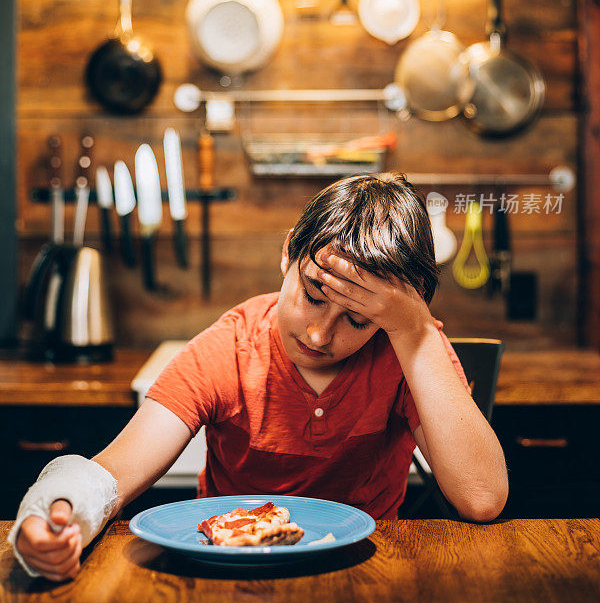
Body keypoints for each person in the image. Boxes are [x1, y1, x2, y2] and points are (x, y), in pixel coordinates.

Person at [9, 172, 508, 581]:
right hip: (226, 572)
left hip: (361, 573)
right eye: (314, 295)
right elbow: (113, 472)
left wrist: (415, 332)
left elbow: (481, 498)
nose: (318, 334)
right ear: (288, 253)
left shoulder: (409, 343)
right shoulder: (229, 348)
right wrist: (54, 512)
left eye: (358, 318)